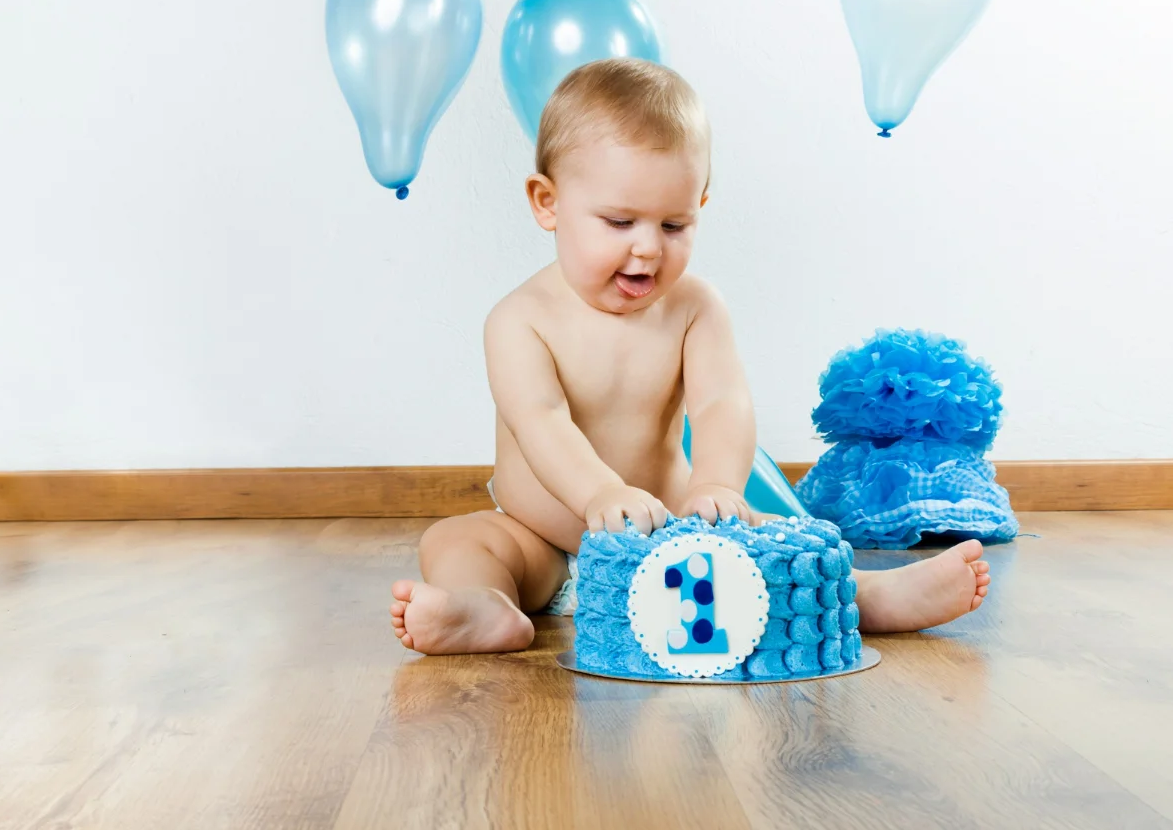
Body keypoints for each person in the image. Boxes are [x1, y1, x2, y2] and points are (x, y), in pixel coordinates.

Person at [391, 58, 991, 654]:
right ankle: (486, 608)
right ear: (547, 202)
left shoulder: (695, 308)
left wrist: (717, 486)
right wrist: (600, 495)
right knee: (457, 541)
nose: (647, 247)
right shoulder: (519, 319)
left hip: (676, 537)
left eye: (674, 224)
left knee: (779, 543)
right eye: (619, 221)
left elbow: (720, 404)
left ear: (700, 203)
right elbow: (540, 420)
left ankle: (864, 597)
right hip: (544, 545)